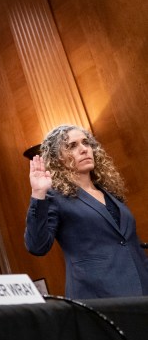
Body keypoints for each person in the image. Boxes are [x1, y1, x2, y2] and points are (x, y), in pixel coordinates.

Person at [25, 124, 148, 299]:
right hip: (98, 299)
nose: (84, 149)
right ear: (57, 157)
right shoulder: (54, 197)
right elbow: (37, 246)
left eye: (86, 143)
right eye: (72, 146)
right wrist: (38, 193)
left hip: (141, 295)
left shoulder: (111, 194)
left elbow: (130, 245)